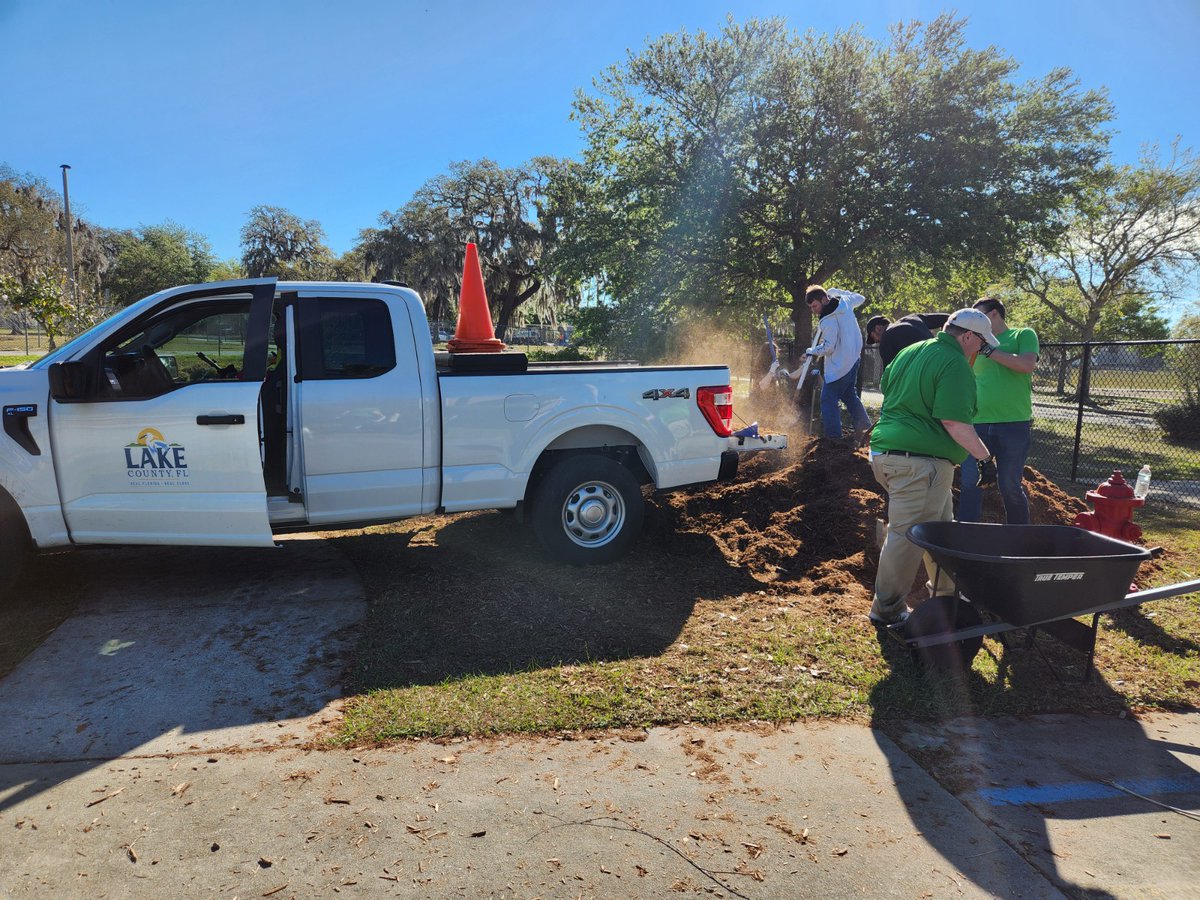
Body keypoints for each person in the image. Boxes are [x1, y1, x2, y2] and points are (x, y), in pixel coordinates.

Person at [867, 309, 998, 626]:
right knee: (906, 536)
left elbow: (891, 390)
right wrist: (984, 458)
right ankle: (886, 611)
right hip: (919, 465)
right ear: (967, 336)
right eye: (981, 344)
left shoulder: (910, 352)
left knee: (940, 530)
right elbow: (954, 421)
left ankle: (948, 595)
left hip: (887, 454)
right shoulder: (954, 363)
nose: (980, 351)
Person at [958, 297, 1040, 525]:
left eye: (980, 316)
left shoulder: (1022, 335)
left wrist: (990, 351)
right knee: (970, 482)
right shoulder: (974, 344)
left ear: (994, 314)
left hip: (1013, 424)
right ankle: (965, 535)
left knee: (1009, 485)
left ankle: (1018, 538)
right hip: (977, 424)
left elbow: (1026, 365)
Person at [788, 285, 872, 442]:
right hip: (854, 358)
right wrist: (838, 292)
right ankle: (866, 429)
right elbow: (860, 298)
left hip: (840, 364)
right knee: (849, 394)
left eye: (815, 306)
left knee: (828, 399)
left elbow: (828, 347)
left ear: (824, 299)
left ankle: (833, 437)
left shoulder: (827, 320)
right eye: (811, 307)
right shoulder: (845, 302)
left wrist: (811, 350)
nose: (813, 310)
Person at [865, 312, 952, 368]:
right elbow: (950, 318)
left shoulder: (886, 339)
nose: (876, 342)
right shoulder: (913, 318)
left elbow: (888, 377)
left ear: (878, 329)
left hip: (923, 371)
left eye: (873, 338)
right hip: (943, 359)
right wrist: (945, 342)